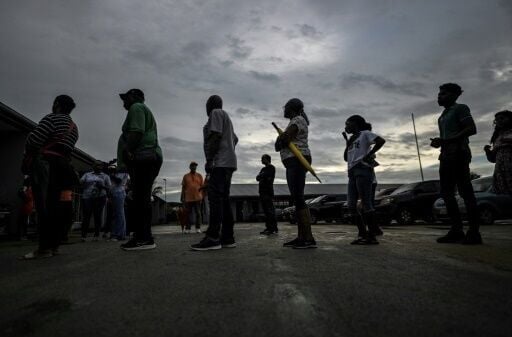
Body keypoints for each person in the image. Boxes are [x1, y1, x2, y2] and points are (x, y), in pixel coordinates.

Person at [20, 95, 79, 259]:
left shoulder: (51, 119)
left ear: (57, 105)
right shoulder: (74, 127)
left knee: (44, 206)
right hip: (64, 167)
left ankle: (43, 248)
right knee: (58, 207)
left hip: (47, 165)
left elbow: (34, 140)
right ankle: (54, 246)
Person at [430, 83, 482, 244]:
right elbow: (447, 137)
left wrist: (446, 140)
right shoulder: (442, 115)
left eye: (444, 94)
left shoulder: (460, 108)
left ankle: (474, 232)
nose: (439, 96)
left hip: (459, 153)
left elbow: (471, 129)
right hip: (445, 155)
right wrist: (440, 143)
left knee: (465, 191)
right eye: (439, 94)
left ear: (455, 95)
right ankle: (456, 230)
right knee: (446, 193)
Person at [117, 89, 163, 250]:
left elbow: (137, 131)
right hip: (148, 157)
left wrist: (128, 150)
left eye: (126, 98)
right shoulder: (141, 109)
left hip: (143, 157)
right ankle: (144, 237)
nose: (124, 102)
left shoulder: (136, 107)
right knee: (142, 197)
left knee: (140, 198)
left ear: (135, 97)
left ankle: (143, 238)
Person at [191, 95, 238, 251]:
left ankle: (213, 237)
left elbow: (216, 136)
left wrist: (210, 159)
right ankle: (227, 237)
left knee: (215, 200)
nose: (206, 107)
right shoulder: (226, 119)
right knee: (223, 200)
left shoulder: (216, 113)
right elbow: (235, 139)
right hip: (228, 163)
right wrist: (228, 150)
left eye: (206, 104)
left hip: (220, 164)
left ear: (211, 104)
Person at [275, 98, 316, 249]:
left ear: (290, 108)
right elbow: (279, 144)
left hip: (297, 161)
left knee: (298, 197)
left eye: (285, 108)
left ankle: (308, 238)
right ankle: (302, 236)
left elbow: (284, 140)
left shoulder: (298, 120)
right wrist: (280, 141)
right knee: (296, 197)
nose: (283, 110)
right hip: (294, 162)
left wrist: (280, 139)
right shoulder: (296, 120)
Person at [343, 115, 385, 245]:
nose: (346, 127)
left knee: (366, 203)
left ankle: (371, 236)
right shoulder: (352, 138)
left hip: (362, 169)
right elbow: (346, 158)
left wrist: (370, 154)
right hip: (351, 172)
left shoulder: (365, 134)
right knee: (351, 205)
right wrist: (347, 143)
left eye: (348, 124)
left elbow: (381, 141)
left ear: (355, 124)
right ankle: (363, 234)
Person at [80, 161, 111, 241]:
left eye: (100, 165)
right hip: (87, 197)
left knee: (97, 215)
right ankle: (83, 235)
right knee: (86, 215)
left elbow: (109, 188)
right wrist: (84, 183)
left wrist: (102, 186)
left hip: (100, 197)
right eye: (97, 165)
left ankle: (96, 235)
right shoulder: (87, 174)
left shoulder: (105, 176)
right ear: (93, 166)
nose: (98, 167)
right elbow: (81, 183)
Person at [484, 110, 512, 195]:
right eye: (497, 120)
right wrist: (488, 151)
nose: (499, 121)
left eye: (502, 118)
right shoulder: (497, 136)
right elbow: (493, 159)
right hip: (502, 171)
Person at [257, 154, 278, 235]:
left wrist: (262, 176)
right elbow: (257, 178)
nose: (261, 160)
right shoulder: (263, 169)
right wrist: (262, 176)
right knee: (266, 211)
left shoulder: (271, 168)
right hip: (262, 192)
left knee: (270, 211)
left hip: (268, 192)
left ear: (267, 159)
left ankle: (273, 229)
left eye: (262, 159)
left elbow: (264, 176)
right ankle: (268, 228)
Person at [181, 161, 204, 234]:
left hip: (198, 198)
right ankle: (188, 228)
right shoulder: (185, 176)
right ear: (190, 167)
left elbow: (202, 187)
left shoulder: (200, 175)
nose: (194, 167)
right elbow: (183, 188)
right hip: (188, 198)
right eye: (192, 165)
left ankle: (198, 228)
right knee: (188, 213)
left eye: (195, 166)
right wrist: (182, 197)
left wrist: (202, 196)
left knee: (198, 213)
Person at [108, 163, 129, 241]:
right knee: (117, 214)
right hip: (115, 192)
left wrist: (111, 174)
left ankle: (118, 234)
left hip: (119, 192)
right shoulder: (118, 171)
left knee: (119, 214)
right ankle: (119, 234)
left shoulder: (122, 171)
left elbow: (118, 181)